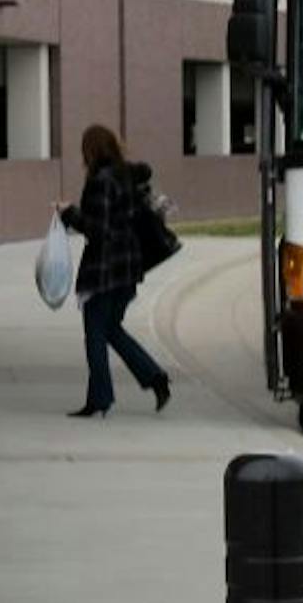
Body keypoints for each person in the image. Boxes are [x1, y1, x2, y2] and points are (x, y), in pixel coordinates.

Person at [57, 124, 173, 418]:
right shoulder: (128, 175)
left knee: (95, 334)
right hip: (129, 266)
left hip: (105, 270)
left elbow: (99, 230)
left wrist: (69, 213)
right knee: (110, 328)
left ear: (92, 150)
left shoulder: (101, 182)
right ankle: (154, 377)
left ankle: (100, 398)